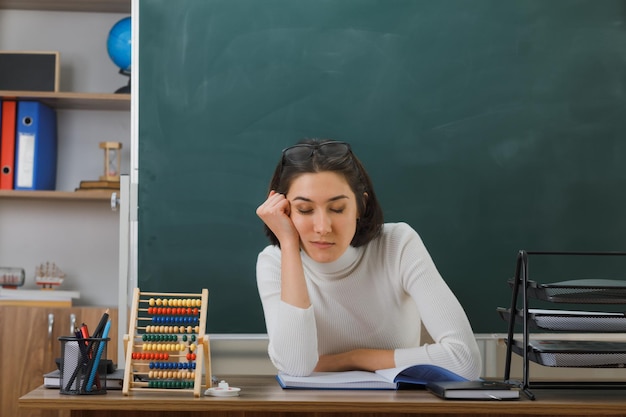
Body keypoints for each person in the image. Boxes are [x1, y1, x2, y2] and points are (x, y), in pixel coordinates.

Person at [255, 138, 482, 378]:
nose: (322, 227)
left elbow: (464, 360)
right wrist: (289, 244)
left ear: (360, 206)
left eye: (337, 208)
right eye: (304, 210)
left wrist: (355, 358)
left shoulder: (398, 244)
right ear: (283, 210)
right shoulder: (274, 262)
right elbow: (295, 366)